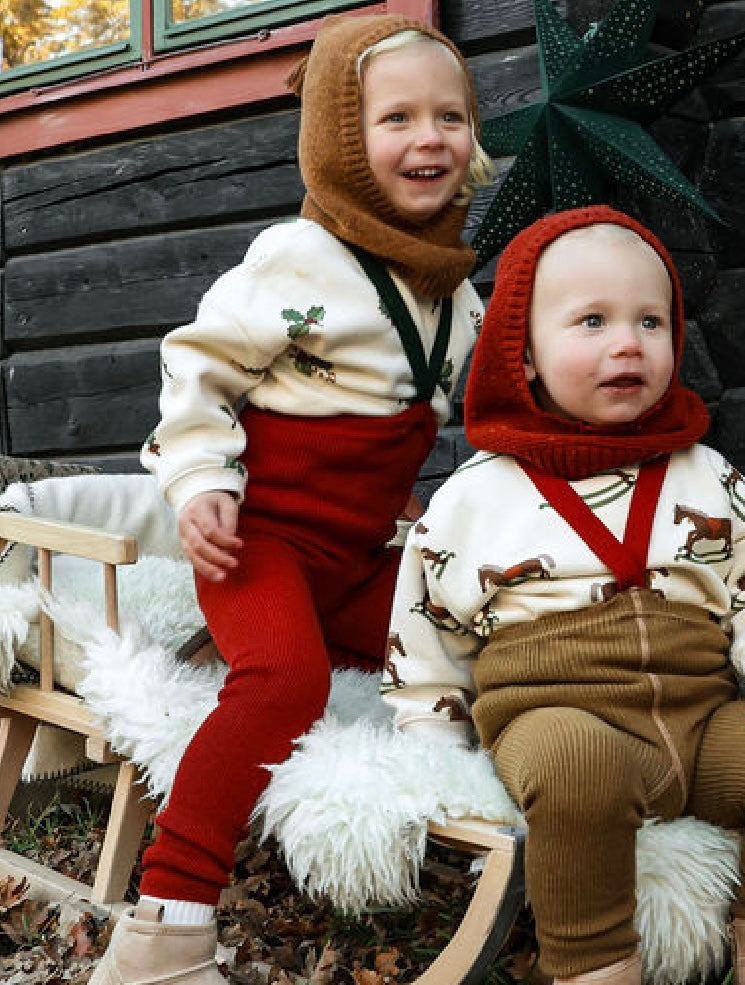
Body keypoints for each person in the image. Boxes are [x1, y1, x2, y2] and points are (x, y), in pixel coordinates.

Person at [91, 14, 492, 985]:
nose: (428, 136)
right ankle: (164, 925)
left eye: (450, 115)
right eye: (395, 117)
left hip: (356, 555)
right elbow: (199, 369)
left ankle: (506, 834)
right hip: (259, 542)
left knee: (465, 629)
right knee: (285, 681)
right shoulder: (297, 261)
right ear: (338, 140)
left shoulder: (457, 298)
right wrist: (200, 484)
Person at [383, 205, 745, 985]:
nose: (627, 342)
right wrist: (433, 749)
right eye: (591, 321)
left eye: (649, 320)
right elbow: (425, 631)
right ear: (522, 353)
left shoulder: (703, 472)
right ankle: (595, 965)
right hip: (553, 715)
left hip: (700, 722)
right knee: (576, 763)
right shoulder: (473, 500)